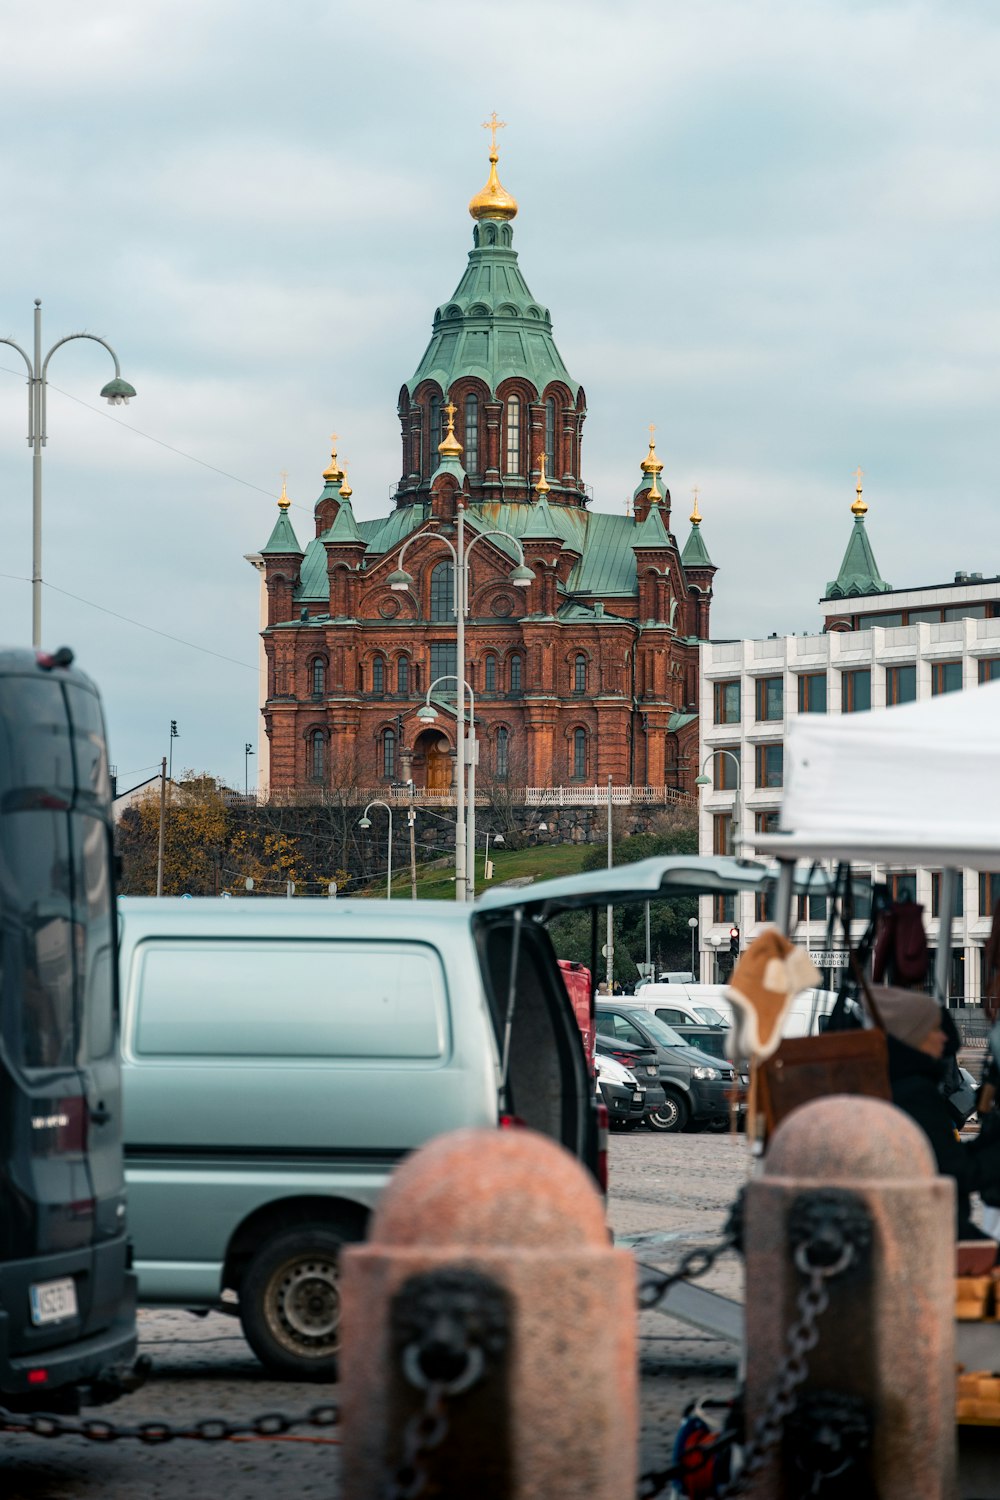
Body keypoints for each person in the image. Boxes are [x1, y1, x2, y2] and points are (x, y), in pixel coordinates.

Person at [875, 987, 1000, 1240]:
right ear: (915, 1036)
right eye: (935, 1030)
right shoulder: (915, 1093)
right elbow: (955, 1172)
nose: (944, 1039)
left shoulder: (896, 1083)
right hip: (929, 1231)